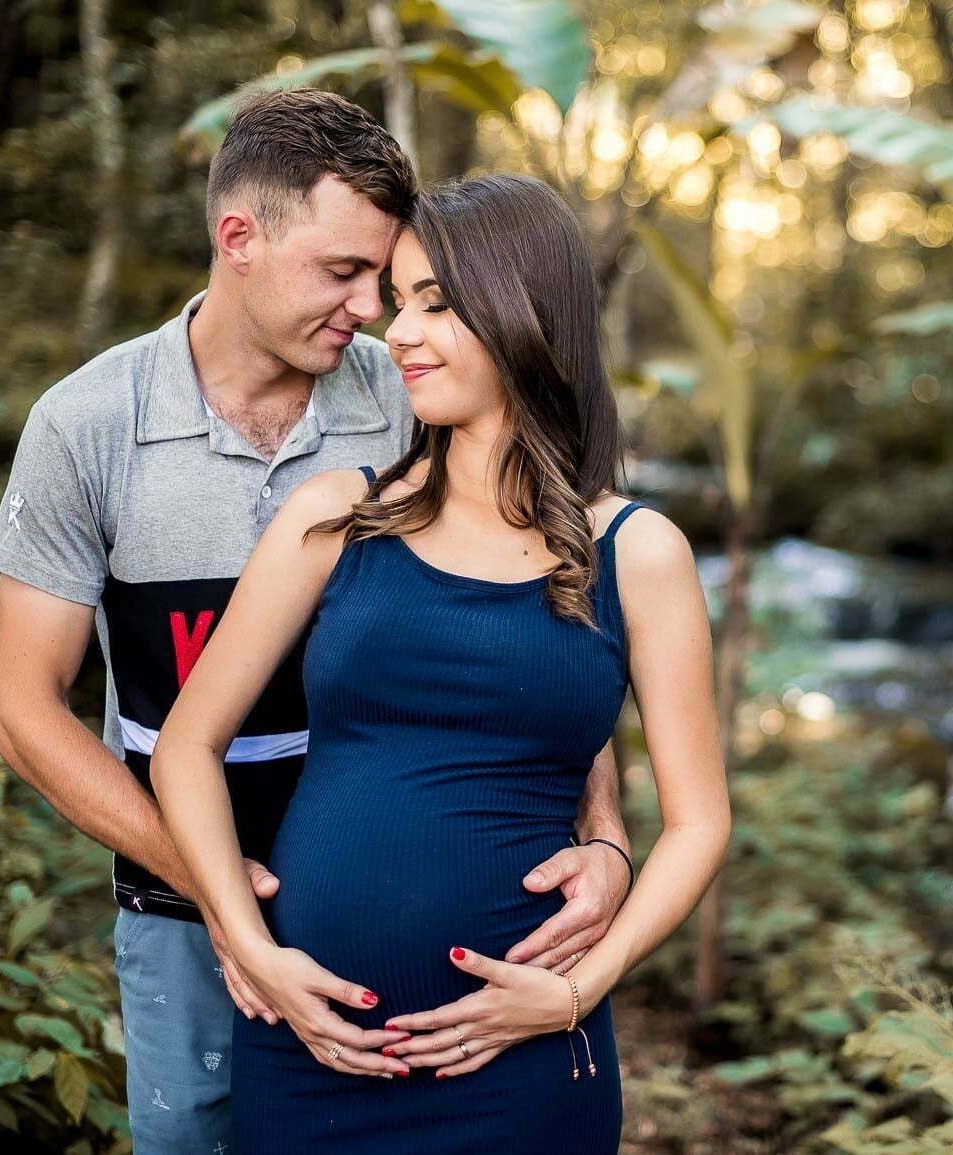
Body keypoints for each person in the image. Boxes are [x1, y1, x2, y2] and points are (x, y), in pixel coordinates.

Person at [0, 91, 635, 1154]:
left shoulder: (408, 393)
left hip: (432, 915)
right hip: (187, 906)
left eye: (386, 275)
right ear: (238, 238)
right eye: (343, 273)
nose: (374, 307)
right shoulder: (88, 427)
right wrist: (219, 892)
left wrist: (600, 829)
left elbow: (542, 627)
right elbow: (24, 713)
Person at [149, 171, 732, 1153]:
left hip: (521, 1069)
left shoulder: (636, 552)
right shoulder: (333, 515)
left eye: (437, 303)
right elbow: (185, 746)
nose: (398, 333)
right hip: (312, 1050)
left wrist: (574, 992)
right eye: (399, 300)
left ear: (525, 315)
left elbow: (699, 821)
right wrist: (250, 949)